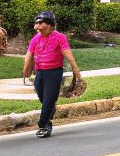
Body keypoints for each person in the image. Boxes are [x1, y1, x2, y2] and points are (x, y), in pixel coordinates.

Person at [21, 10, 82, 138]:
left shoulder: (59, 37)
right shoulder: (35, 39)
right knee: (42, 97)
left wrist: (75, 70)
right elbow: (29, 55)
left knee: (48, 100)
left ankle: (43, 125)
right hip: (40, 72)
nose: (37, 26)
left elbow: (67, 53)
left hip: (54, 72)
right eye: (36, 23)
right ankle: (50, 111)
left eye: (40, 23)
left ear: (49, 24)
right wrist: (26, 71)